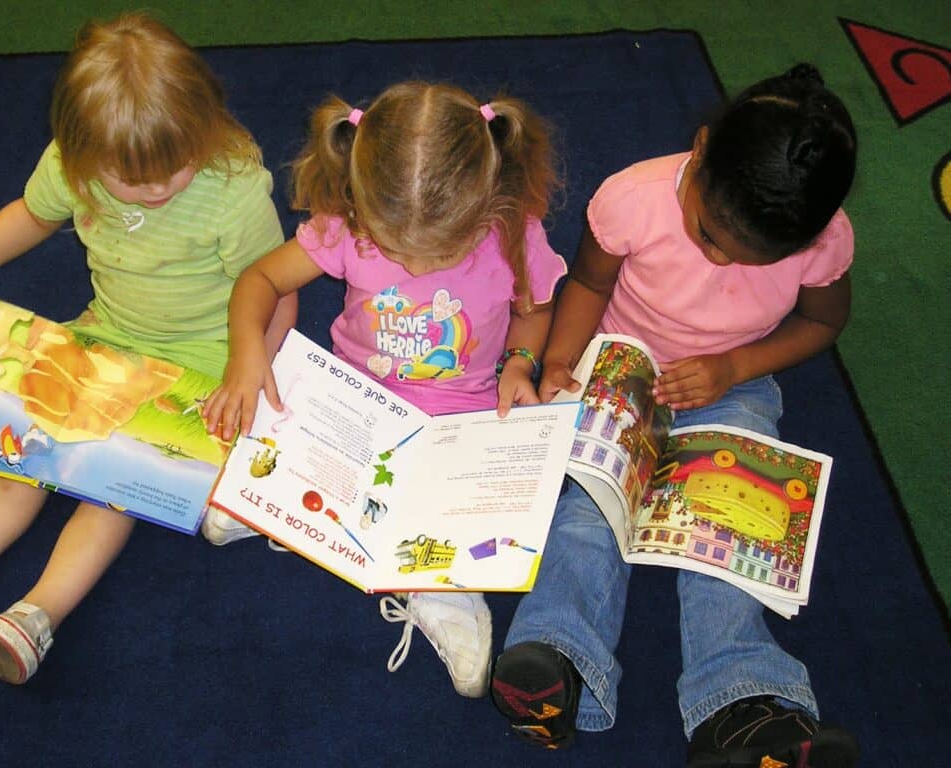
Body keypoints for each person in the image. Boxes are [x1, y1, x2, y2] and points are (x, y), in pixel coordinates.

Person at [489, 64, 860, 767]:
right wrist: (562, 361)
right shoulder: (634, 197)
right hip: (623, 369)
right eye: (710, 233)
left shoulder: (824, 238)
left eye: (747, 258)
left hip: (733, 384)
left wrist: (734, 367)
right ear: (701, 148)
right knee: (588, 512)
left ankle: (743, 704)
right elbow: (589, 281)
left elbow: (821, 323)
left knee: (729, 526)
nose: (717, 258)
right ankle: (554, 659)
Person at [0, 12, 297, 684]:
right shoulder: (75, 164)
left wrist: (250, 369)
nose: (159, 189)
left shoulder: (233, 187)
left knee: (113, 488)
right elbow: (32, 215)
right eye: (134, 180)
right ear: (84, 155)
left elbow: (276, 286)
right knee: (27, 442)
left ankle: (37, 614)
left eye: (176, 169)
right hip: (106, 331)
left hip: (198, 363)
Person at [201, 81, 567, 698]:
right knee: (288, 449)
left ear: (487, 204)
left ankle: (441, 594)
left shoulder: (512, 232)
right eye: (398, 250)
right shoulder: (348, 226)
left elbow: (535, 308)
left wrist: (521, 363)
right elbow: (259, 280)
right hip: (354, 395)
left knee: (455, 521)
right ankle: (283, 505)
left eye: (441, 253)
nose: (417, 268)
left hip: (460, 416)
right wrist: (245, 355)